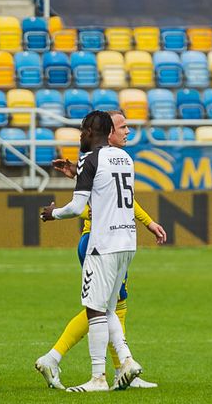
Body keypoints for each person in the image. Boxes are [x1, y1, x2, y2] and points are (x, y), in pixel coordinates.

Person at [34, 110, 166, 390]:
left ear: (94, 132)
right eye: (123, 127)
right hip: (125, 241)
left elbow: (79, 206)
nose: (127, 131)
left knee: (100, 309)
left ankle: (97, 374)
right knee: (111, 307)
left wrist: (53, 212)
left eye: (82, 131)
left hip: (101, 242)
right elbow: (112, 194)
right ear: (110, 132)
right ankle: (124, 365)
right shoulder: (125, 160)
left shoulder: (91, 160)